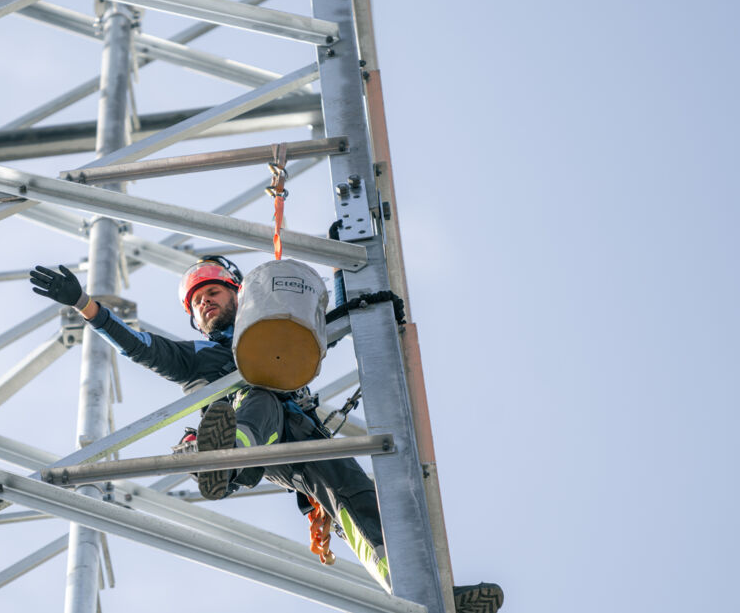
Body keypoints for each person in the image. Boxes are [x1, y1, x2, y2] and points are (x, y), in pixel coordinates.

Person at [30, 258, 503, 613]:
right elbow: (141, 347)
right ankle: (225, 457)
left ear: (239, 297)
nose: (205, 302)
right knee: (258, 393)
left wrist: (346, 268)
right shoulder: (197, 357)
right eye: (197, 303)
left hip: (303, 437)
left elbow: (332, 320)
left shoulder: (276, 336)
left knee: (360, 500)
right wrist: (85, 304)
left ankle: (425, 596)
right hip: (251, 429)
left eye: (213, 293)